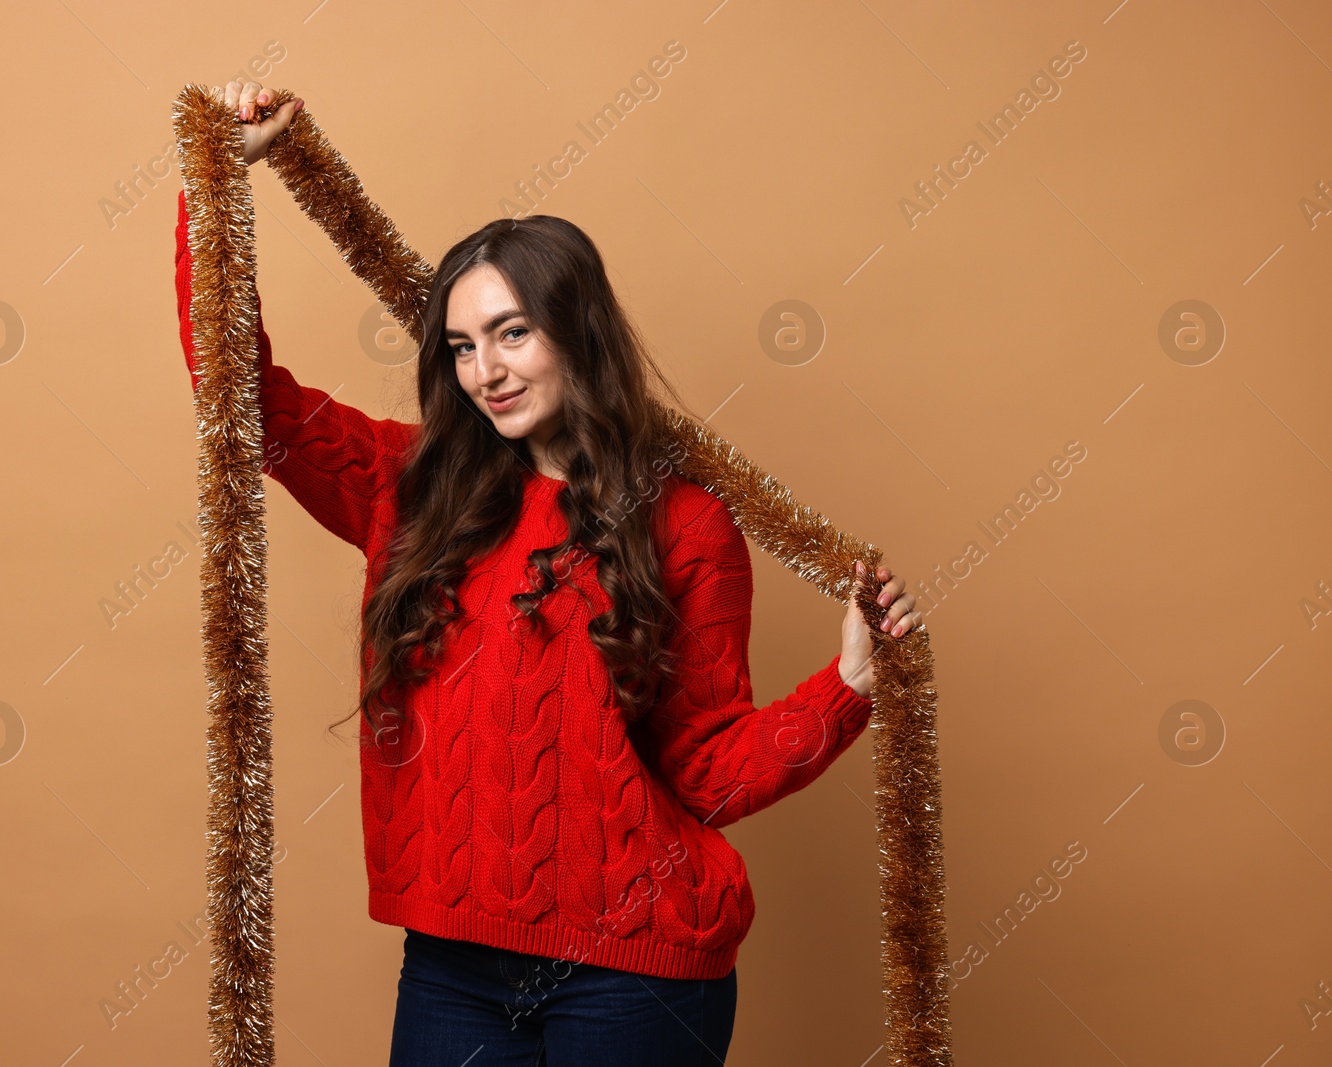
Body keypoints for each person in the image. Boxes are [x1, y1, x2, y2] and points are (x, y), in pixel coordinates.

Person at [175, 79, 922, 1067]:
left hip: (637, 972)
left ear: (577, 331)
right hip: (449, 966)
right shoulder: (410, 487)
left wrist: (849, 688)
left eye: (513, 332)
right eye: (462, 345)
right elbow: (245, 399)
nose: (486, 370)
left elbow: (704, 764)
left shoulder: (686, 525)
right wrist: (215, 179)